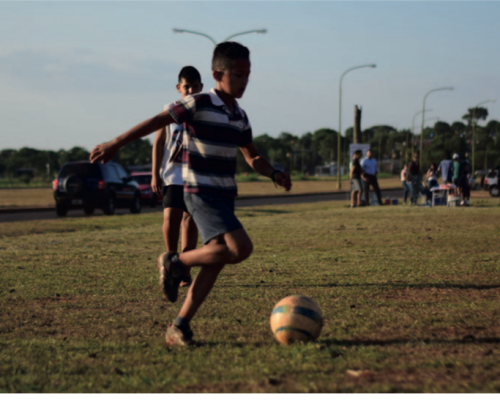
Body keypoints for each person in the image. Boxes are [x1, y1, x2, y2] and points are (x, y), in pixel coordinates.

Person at [89, 42, 292, 346]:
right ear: (217, 74)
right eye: (237, 74)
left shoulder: (240, 115)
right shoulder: (197, 103)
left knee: (216, 260)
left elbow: (252, 156)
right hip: (200, 192)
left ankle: (179, 326)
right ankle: (175, 262)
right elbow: (157, 122)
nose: (244, 81)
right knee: (241, 248)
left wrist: (274, 173)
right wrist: (116, 142)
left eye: (248, 75)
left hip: (224, 196)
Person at [151, 66, 203, 288]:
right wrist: (155, 174)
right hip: (172, 174)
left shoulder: (205, 110)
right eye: (186, 87)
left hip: (196, 175)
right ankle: (171, 261)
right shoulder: (169, 110)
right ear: (178, 88)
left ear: (201, 87)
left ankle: (185, 271)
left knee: (190, 222)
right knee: (171, 218)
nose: (190, 90)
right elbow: (159, 142)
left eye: (194, 86)